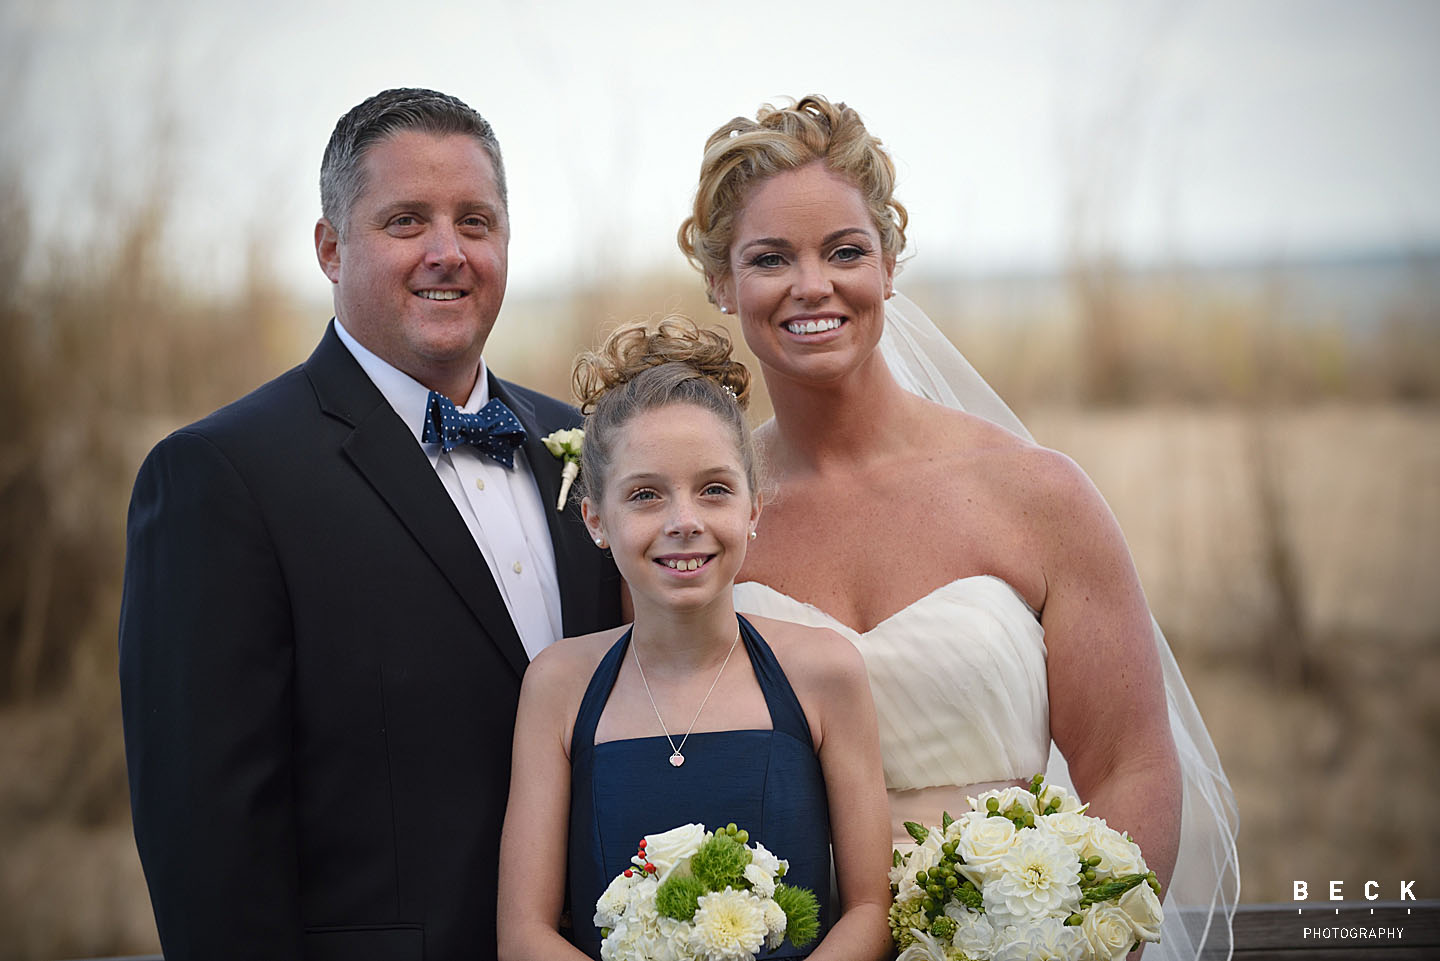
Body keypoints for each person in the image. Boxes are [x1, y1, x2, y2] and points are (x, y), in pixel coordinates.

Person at [678, 96, 1240, 961]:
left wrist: (1068, 940)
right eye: (770, 258)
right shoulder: (701, 521)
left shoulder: (1035, 493)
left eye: (845, 251)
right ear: (723, 283)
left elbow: (1131, 768)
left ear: (890, 265)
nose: (812, 284)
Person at [118, 87, 624, 960]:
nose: (448, 253)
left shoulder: (590, 452)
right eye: (405, 222)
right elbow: (208, 842)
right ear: (329, 246)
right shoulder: (221, 475)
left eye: (476, 220)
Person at [496, 318, 893, 960]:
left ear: (753, 507)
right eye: (646, 496)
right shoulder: (559, 687)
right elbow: (523, 934)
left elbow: (871, 909)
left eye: (714, 490)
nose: (684, 522)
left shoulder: (823, 672)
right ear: (597, 518)